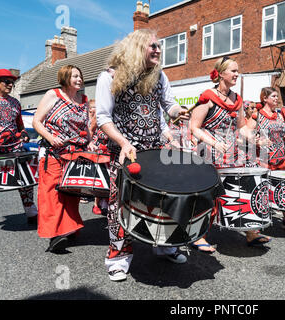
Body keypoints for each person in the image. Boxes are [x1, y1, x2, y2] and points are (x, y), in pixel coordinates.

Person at [95, 29, 190, 281]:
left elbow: (168, 106)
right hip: (127, 153)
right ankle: (118, 257)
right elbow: (103, 116)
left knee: (162, 200)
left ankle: (165, 245)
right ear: (137, 48)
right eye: (153, 46)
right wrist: (123, 142)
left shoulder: (159, 76)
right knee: (120, 205)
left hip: (155, 150)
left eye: (159, 46)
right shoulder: (110, 76)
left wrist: (177, 113)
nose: (158, 50)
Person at [190, 56, 271, 249]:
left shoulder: (237, 99)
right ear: (221, 74)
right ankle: (197, 235)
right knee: (208, 195)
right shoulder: (207, 97)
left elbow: (241, 128)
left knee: (238, 188)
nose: (237, 74)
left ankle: (250, 232)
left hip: (231, 153)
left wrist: (254, 138)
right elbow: (194, 127)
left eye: (237, 70)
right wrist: (213, 142)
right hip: (208, 152)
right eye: (233, 71)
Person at [33, 65, 96, 252]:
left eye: (80, 76)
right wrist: (51, 138)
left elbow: (85, 126)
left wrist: (90, 142)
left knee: (71, 194)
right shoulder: (53, 94)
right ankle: (54, 235)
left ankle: (68, 228)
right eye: (74, 76)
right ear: (65, 78)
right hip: (53, 152)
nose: (79, 79)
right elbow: (37, 121)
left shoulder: (83, 99)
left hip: (76, 154)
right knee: (51, 193)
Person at [246, 87, 285, 231]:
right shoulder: (257, 116)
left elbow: (283, 136)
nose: (277, 99)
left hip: (280, 157)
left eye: (277, 97)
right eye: (274, 96)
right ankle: (257, 223)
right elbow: (245, 136)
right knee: (262, 190)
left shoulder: (279, 115)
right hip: (263, 159)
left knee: (284, 187)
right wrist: (257, 142)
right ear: (265, 98)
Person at [0, 69, 38, 231]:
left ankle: (31, 211)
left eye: (12, 82)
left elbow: (20, 126)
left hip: (14, 147)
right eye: (6, 82)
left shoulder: (16, 102)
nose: (10, 85)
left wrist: (23, 134)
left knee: (25, 179)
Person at [87, 99, 109, 215]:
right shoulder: (99, 113)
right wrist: (90, 144)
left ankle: (106, 203)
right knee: (99, 178)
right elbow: (90, 130)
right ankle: (96, 204)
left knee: (109, 179)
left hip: (110, 148)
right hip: (99, 148)